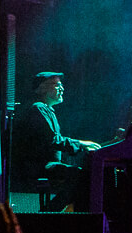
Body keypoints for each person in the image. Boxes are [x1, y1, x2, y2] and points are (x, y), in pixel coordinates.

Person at [9, 71, 96, 211]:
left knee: (81, 177)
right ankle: (49, 213)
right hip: (38, 166)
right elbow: (53, 140)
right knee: (81, 177)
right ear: (41, 88)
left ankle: (52, 212)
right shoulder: (38, 108)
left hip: (45, 165)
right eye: (56, 85)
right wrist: (80, 144)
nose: (62, 88)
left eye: (61, 85)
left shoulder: (46, 110)